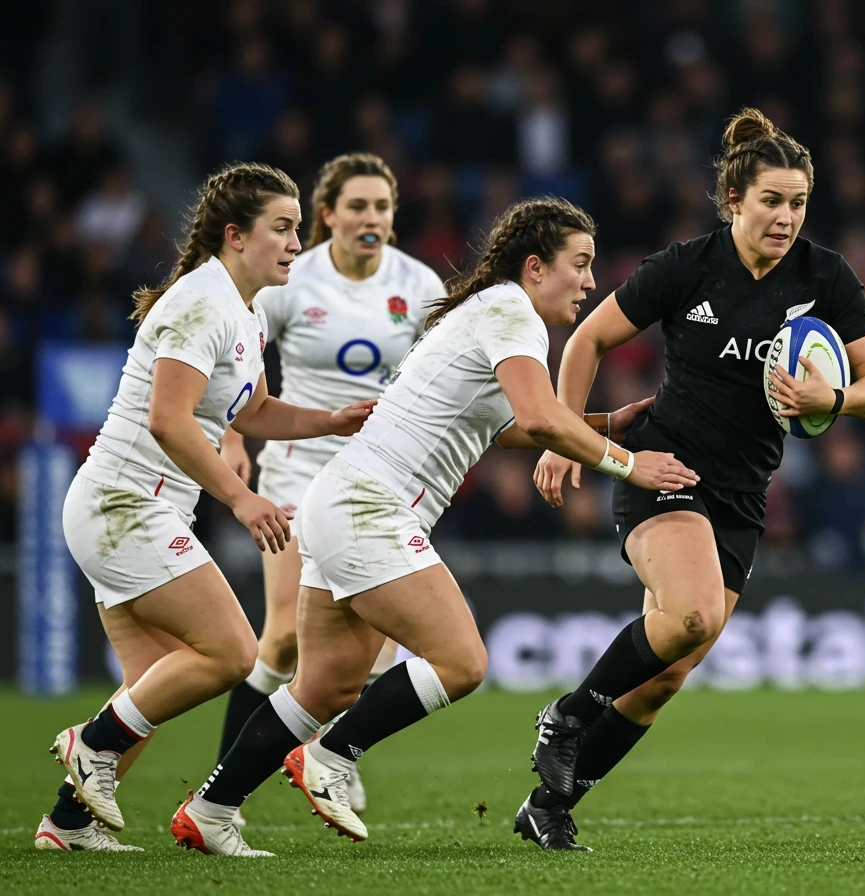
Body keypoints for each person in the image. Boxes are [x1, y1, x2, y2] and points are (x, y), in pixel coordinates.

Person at [170, 196, 698, 857]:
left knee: (324, 684)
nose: (591, 282)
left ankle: (211, 807)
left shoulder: (492, 311)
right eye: (580, 264)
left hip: (340, 501)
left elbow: (503, 429)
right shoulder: (512, 313)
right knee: (462, 661)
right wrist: (628, 463)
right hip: (371, 507)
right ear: (535, 267)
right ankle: (332, 755)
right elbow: (538, 419)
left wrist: (605, 424)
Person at [517, 108, 865, 851]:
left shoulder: (826, 277)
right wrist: (567, 433)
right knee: (691, 616)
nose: (786, 217)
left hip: (742, 494)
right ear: (734, 200)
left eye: (798, 203)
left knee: (666, 675)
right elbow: (589, 338)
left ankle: (548, 809)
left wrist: (836, 399)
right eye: (771, 201)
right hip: (665, 466)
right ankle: (565, 715)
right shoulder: (687, 267)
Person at [39, 162, 376, 853]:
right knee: (231, 653)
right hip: (126, 505)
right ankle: (90, 743)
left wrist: (331, 420)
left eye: (295, 229)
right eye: (281, 228)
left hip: (127, 507)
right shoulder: (202, 303)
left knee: (149, 685)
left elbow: (250, 410)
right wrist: (242, 498)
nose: (294, 242)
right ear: (234, 235)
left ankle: (66, 825)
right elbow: (168, 419)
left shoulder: (239, 310)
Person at [216, 153, 446, 822]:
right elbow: (242, 364)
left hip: (383, 477)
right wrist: (234, 438)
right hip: (298, 467)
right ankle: (224, 790)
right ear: (327, 215)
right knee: (284, 640)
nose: (371, 219)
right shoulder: (294, 280)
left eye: (381, 208)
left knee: (371, 653)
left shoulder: (419, 284)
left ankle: (334, 759)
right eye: (357, 207)